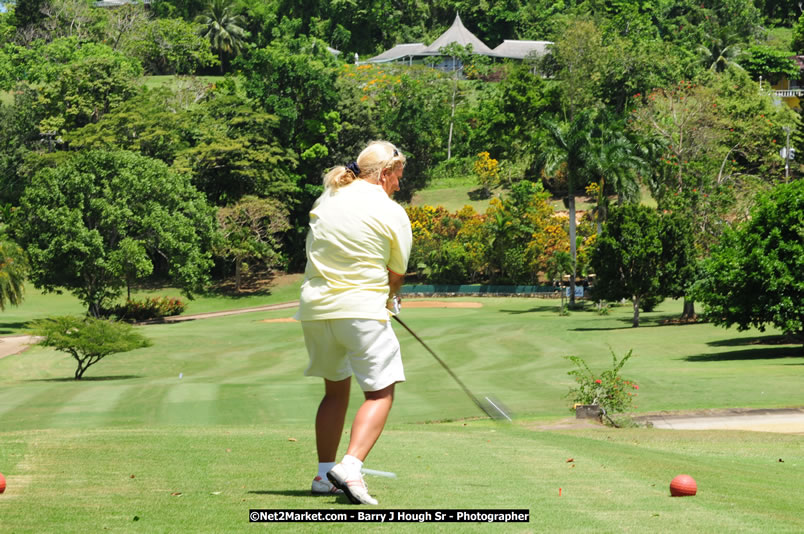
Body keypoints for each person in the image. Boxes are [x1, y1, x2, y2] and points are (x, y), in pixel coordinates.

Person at [295, 141, 412, 505]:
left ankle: (322, 474)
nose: (399, 186)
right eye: (398, 178)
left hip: (315, 311)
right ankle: (350, 464)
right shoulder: (391, 211)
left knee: (335, 391)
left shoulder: (328, 198)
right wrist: (392, 300)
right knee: (381, 390)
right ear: (386, 173)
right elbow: (397, 272)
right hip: (361, 311)